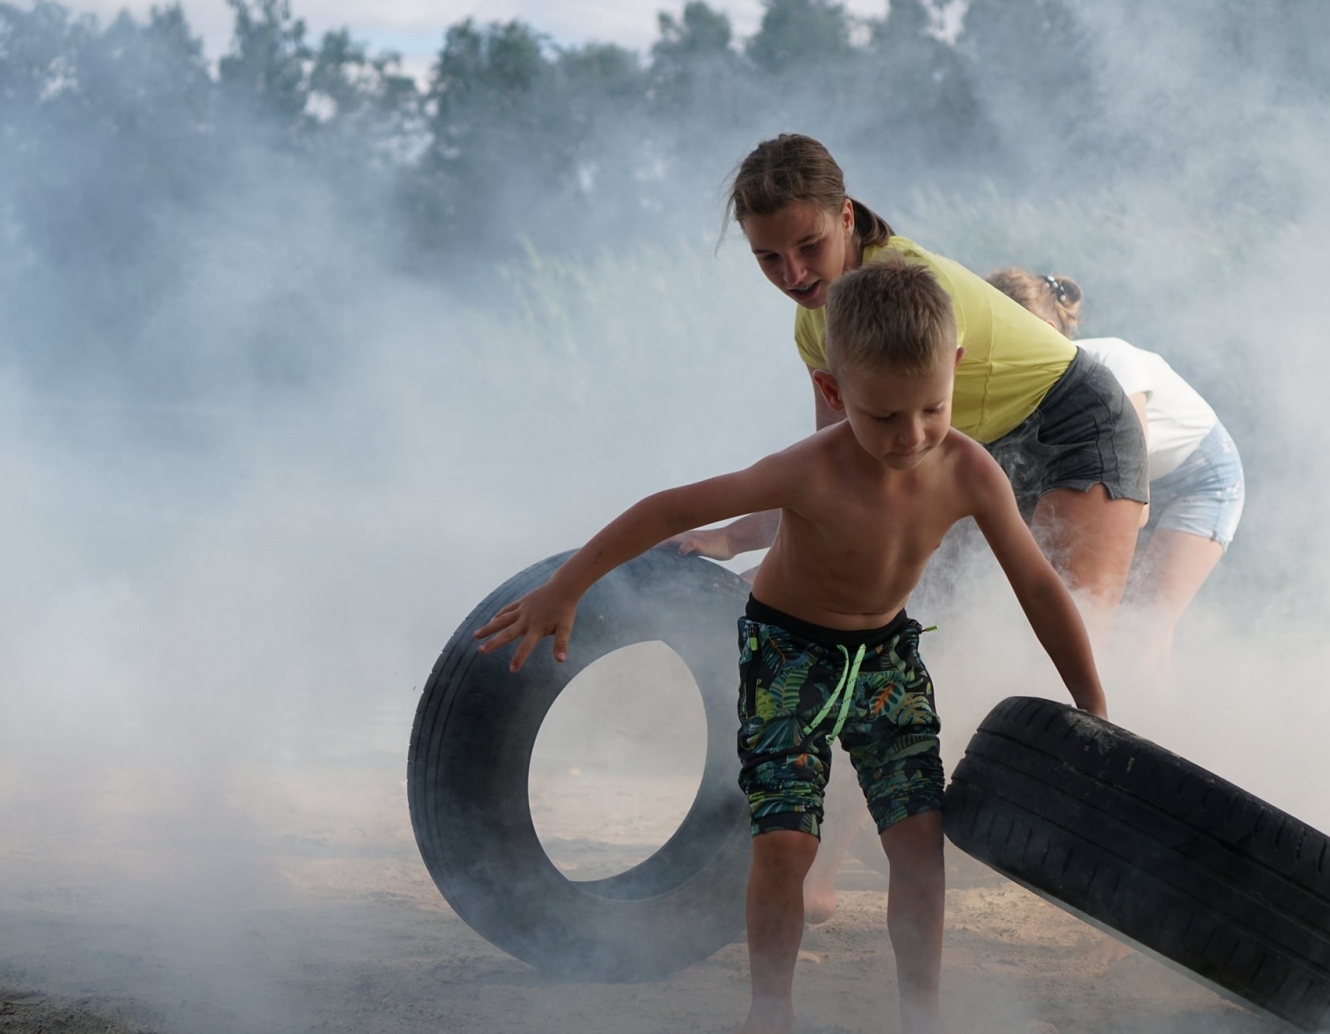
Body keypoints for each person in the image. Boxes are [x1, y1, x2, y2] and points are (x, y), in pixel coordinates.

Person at [475, 258, 1107, 1034]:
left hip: (886, 662)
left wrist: (1093, 703)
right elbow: (665, 508)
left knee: (917, 842)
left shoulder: (971, 472)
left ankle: (925, 1016)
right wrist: (565, 587)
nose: (909, 436)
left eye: (931, 409)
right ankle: (769, 1010)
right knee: (784, 846)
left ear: (957, 370)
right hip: (786, 659)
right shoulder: (806, 471)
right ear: (836, 394)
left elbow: (1038, 587)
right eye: (882, 417)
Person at [672, 133, 1146, 924]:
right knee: (881, 639)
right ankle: (817, 877)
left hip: (1072, 428)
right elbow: (838, 472)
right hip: (972, 447)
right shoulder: (817, 326)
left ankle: (1128, 874)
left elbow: (879, 482)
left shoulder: (904, 289)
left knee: (1065, 637)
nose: (792, 274)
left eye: (808, 245)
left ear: (846, 216)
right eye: (768, 258)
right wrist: (731, 541)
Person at [984, 268, 1246, 688]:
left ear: (1047, 331)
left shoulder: (1110, 362)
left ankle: (1162, 739)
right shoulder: (1020, 390)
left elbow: (1132, 498)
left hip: (1199, 483)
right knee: (1085, 620)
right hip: (1126, 488)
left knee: (1141, 633)